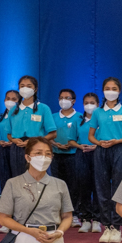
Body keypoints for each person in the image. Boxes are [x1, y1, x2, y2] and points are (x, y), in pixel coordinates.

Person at [88, 77, 122, 243]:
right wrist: (99, 143)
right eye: (107, 88)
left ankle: (116, 226)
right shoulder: (97, 112)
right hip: (101, 151)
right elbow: (91, 136)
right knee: (101, 188)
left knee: (118, 187)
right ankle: (106, 226)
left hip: (119, 150)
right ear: (102, 91)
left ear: (119, 91)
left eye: (114, 88)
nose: (110, 91)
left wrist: (117, 141)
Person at [7, 75, 57, 178]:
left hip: (37, 146)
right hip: (17, 148)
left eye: (29, 86)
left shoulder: (43, 108)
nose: (25, 88)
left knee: (38, 175)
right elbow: (8, 134)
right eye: (22, 86)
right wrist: (14, 140)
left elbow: (53, 133)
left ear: (35, 89)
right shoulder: (13, 110)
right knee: (18, 176)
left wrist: (35, 142)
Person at [0, 89, 19, 233]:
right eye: (8, 98)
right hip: (3, 152)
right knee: (5, 183)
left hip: (17, 151)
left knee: (18, 182)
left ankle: (19, 218)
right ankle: (6, 219)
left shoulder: (19, 117)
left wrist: (13, 142)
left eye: (14, 99)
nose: (10, 101)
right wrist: (0, 142)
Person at [51, 89, 80, 228]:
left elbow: (84, 135)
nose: (64, 100)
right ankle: (58, 214)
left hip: (74, 155)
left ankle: (74, 214)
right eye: (61, 97)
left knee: (74, 186)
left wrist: (72, 144)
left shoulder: (80, 117)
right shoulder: (52, 117)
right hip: (56, 155)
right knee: (56, 186)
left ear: (73, 101)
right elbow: (47, 134)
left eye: (67, 98)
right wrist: (54, 143)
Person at [75, 93, 101, 234]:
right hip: (82, 154)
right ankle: (85, 219)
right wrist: (80, 146)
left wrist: (97, 146)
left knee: (98, 187)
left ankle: (97, 219)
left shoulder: (101, 120)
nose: (89, 105)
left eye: (92, 102)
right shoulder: (79, 121)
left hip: (98, 154)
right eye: (86, 102)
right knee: (83, 187)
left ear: (98, 104)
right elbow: (71, 139)